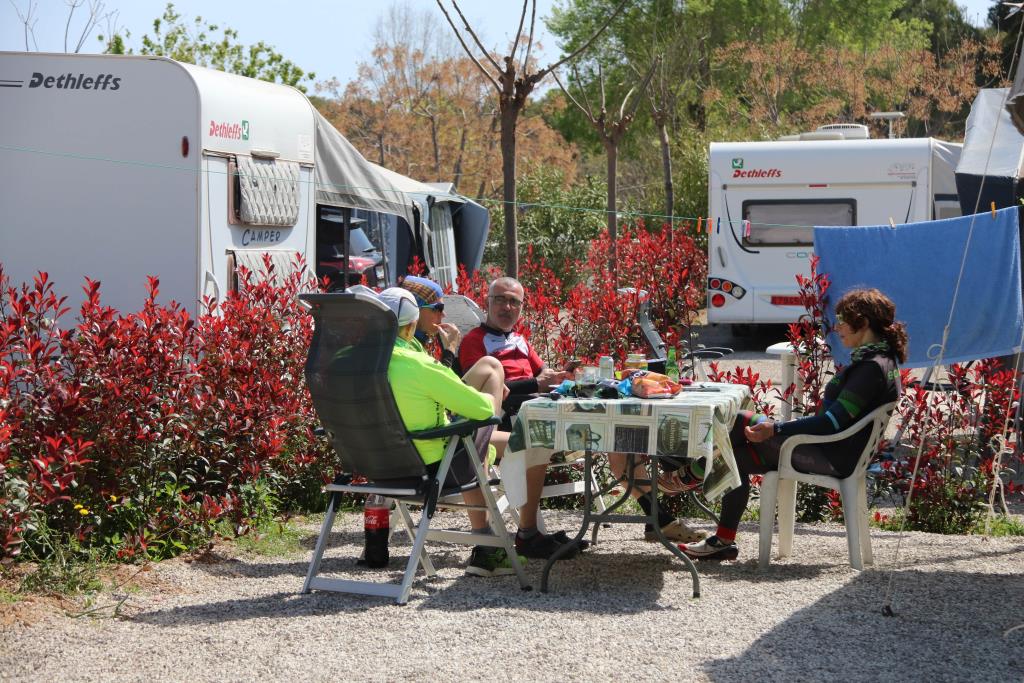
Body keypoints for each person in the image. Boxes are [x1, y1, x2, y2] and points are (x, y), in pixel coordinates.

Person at [460, 276, 696, 552]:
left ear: (522, 307)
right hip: (513, 418)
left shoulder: (520, 340)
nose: (507, 307)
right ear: (487, 303)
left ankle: (656, 517)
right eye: (500, 299)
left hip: (548, 411)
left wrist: (562, 375)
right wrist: (536, 384)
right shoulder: (474, 342)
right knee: (554, 438)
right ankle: (528, 534)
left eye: (514, 301)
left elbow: (543, 375)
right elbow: (481, 392)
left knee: (619, 433)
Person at [680, 288, 906, 561]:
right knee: (735, 455)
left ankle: (686, 475)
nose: (838, 327)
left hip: (833, 455)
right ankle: (722, 539)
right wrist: (775, 427)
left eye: (844, 320)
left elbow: (831, 422)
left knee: (739, 422)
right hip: (839, 451)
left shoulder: (870, 368)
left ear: (864, 322)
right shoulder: (881, 360)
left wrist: (776, 428)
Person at [377, 287, 522, 577]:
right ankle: (484, 543)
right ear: (410, 326)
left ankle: (487, 542)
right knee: (478, 422)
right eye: (437, 307)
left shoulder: (352, 362)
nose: (443, 314)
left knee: (489, 367)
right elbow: (484, 412)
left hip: (377, 465)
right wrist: (493, 394)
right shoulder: (417, 364)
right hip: (433, 469)